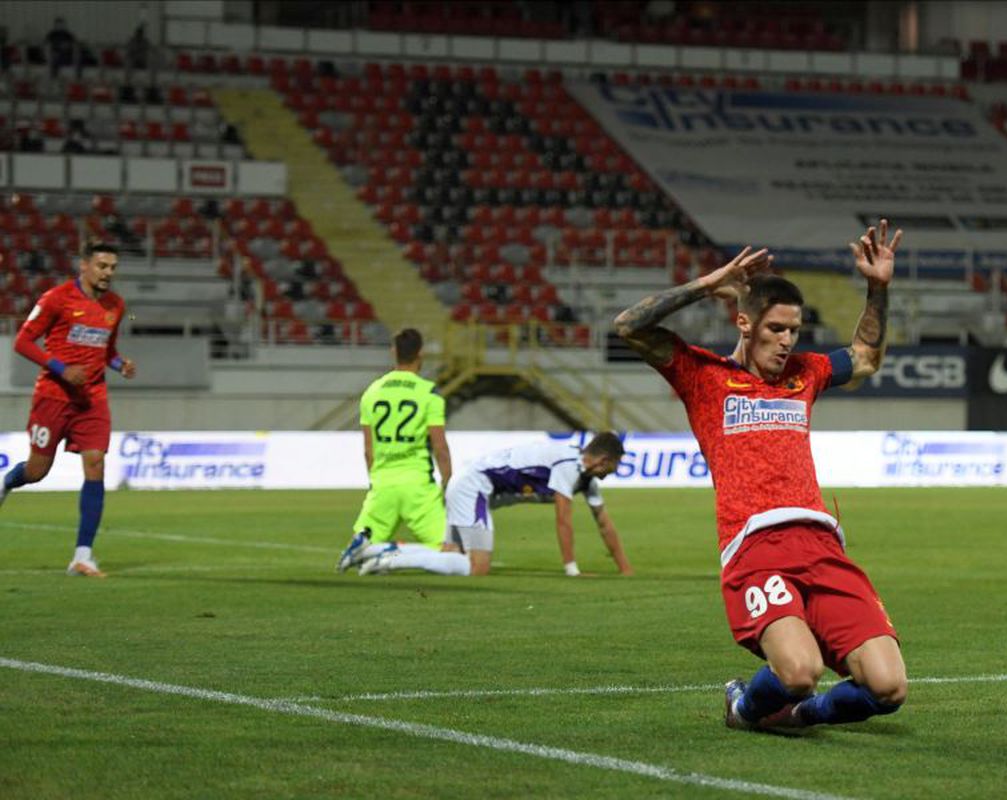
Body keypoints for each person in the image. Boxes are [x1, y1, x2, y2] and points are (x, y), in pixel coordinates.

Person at [614, 220, 906, 733]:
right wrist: (707, 285)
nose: (787, 342)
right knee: (799, 671)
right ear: (745, 323)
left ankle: (797, 717)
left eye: (794, 330)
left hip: (821, 546)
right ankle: (745, 709)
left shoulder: (806, 373)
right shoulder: (703, 377)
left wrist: (877, 288)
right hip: (754, 549)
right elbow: (629, 327)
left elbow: (865, 357)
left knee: (888, 687)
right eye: (775, 329)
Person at [1, 242, 136, 577]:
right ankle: (6, 483)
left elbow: (108, 351)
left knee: (95, 463)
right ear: (84, 266)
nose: (108, 273)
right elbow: (22, 341)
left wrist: (120, 365)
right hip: (53, 396)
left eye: (113, 267)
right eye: (102, 266)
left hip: (92, 398)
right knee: (36, 471)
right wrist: (62, 369)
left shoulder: (115, 305)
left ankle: (82, 556)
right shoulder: (56, 298)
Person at [361, 433, 632, 577]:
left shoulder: (585, 478)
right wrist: (572, 569)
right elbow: (563, 519)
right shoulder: (568, 465)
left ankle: (380, 553)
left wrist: (625, 570)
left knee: (450, 555)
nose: (614, 471)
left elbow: (604, 524)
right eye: (615, 465)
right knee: (477, 568)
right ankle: (388, 562)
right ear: (604, 460)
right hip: (474, 486)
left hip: (468, 484)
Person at [334, 329, 459, 575]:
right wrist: (448, 482)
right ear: (420, 354)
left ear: (394, 352)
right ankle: (390, 554)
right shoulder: (428, 393)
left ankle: (372, 550)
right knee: (451, 553)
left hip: (383, 484)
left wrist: (374, 480)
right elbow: (440, 448)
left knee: (364, 539)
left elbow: (368, 449)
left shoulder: (372, 391)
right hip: (418, 487)